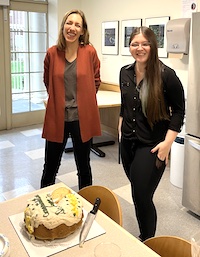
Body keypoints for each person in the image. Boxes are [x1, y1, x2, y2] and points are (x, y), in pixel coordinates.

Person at [118, 26, 185, 241]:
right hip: (128, 143)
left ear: (153, 46)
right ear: (130, 47)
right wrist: (120, 128)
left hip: (153, 145)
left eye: (144, 43)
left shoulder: (167, 76)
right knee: (137, 192)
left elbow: (179, 111)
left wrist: (167, 144)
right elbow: (125, 105)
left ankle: (147, 240)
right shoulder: (125, 72)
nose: (140, 48)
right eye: (135, 44)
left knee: (142, 195)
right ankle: (145, 236)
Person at [41, 9, 101, 190]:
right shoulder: (52, 53)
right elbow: (47, 81)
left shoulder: (89, 52)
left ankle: (86, 202)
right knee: (50, 166)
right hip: (57, 117)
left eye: (77, 25)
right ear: (63, 26)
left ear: (83, 30)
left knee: (84, 166)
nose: (72, 28)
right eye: (69, 23)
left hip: (81, 119)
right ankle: (43, 205)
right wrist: (58, 100)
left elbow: (96, 80)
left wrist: (85, 99)